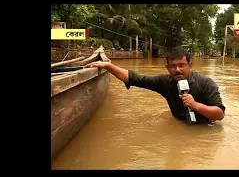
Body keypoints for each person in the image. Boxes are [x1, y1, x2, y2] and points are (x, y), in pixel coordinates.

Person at [85, 46, 226, 124]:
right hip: (180, 125)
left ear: (190, 65)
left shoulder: (206, 83)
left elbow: (220, 114)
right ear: (167, 68)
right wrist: (108, 66)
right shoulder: (164, 82)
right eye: (173, 66)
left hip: (206, 128)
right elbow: (135, 78)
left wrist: (195, 105)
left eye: (182, 65)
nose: (177, 70)